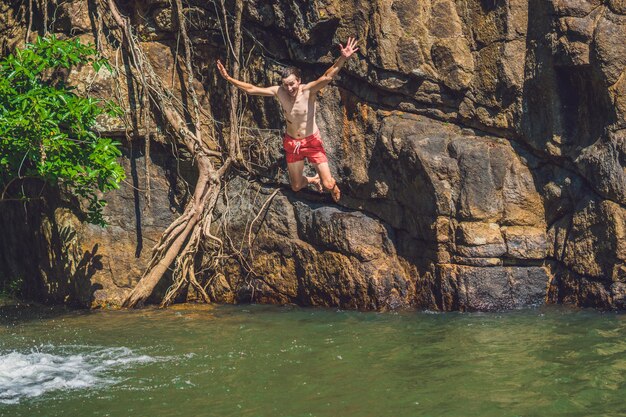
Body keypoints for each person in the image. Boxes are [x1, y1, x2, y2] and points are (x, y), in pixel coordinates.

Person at [216, 37, 359, 202]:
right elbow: (251, 89)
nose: (289, 88)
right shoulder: (279, 92)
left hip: (311, 142)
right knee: (296, 186)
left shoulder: (308, 91)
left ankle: (332, 186)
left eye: (292, 84)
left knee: (328, 184)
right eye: (286, 85)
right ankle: (313, 179)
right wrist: (228, 78)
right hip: (292, 143)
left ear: (299, 81)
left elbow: (327, 76)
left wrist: (343, 58)